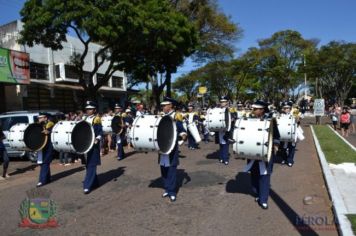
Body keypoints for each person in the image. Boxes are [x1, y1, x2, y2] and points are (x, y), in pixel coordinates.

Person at [244, 100, 280, 209]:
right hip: (253, 151)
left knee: (264, 175)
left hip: (266, 152)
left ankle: (263, 199)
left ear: (262, 110)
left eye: (256, 109)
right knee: (254, 174)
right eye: (253, 109)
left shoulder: (270, 120)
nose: (253, 111)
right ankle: (258, 193)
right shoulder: (249, 120)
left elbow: (276, 135)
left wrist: (276, 145)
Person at [159, 97, 187, 202]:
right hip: (162, 146)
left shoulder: (176, 116)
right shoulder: (161, 116)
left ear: (170, 106)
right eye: (162, 106)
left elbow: (181, 129)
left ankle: (172, 191)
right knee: (163, 168)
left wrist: (183, 135)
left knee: (171, 169)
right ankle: (167, 188)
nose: (163, 107)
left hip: (171, 146)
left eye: (165, 105)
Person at [82, 101, 103, 194]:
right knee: (87, 164)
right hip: (85, 144)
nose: (88, 110)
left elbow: (100, 132)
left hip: (93, 144)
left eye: (90, 109)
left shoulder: (96, 119)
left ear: (94, 110)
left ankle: (87, 185)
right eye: (87, 109)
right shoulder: (84, 118)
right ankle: (95, 182)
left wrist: (97, 139)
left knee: (91, 164)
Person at [37, 112, 55, 187]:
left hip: (49, 146)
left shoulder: (50, 124)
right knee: (42, 163)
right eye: (39, 118)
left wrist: (49, 132)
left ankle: (42, 180)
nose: (39, 119)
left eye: (41, 118)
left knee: (45, 162)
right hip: (41, 147)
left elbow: (53, 132)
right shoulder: (39, 125)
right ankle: (47, 178)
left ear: (45, 118)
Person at [280, 101, 297, 167]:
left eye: (287, 108)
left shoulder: (294, 113)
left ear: (290, 108)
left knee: (291, 147)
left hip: (293, 132)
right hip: (283, 133)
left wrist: (296, 117)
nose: (286, 109)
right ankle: (284, 159)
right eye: (284, 108)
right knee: (283, 148)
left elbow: (298, 120)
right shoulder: (281, 115)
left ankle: (290, 160)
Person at [217, 96, 231, 165]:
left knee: (225, 145)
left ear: (227, 102)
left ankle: (225, 159)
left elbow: (231, 119)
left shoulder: (229, 110)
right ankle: (222, 157)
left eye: (224, 102)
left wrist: (228, 129)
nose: (222, 103)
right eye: (221, 102)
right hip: (220, 130)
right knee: (221, 144)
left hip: (226, 130)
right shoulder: (218, 110)